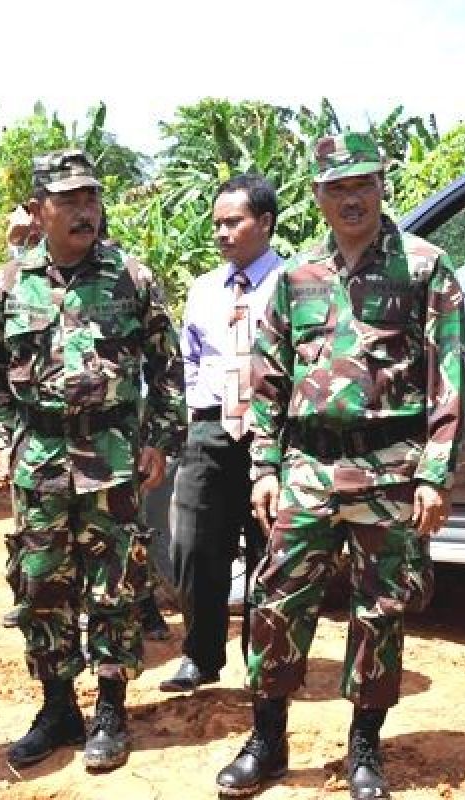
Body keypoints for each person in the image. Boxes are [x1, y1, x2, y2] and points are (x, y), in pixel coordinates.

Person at [216, 133, 465, 799]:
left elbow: (450, 379)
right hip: (309, 467)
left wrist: (435, 473)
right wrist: (264, 469)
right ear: (317, 195)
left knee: (380, 611)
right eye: (336, 187)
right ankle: (267, 741)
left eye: (362, 184)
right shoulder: (296, 279)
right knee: (275, 600)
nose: (351, 198)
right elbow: (267, 380)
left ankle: (364, 749)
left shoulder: (425, 268)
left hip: (391, 468)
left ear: (382, 185)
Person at [0, 149, 185, 772]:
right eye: (68, 201)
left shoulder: (130, 276)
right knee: (41, 586)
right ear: (38, 210)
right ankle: (58, 705)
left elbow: (167, 367)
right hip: (37, 458)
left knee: (114, 586)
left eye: (91, 198)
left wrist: (159, 438)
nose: (84, 211)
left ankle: (112, 709)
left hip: (114, 456)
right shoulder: (9, 284)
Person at [158, 173, 282, 693]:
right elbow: (187, 361)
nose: (222, 233)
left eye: (235, 221)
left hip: (271, 432)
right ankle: (201, 655)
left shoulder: (297, 284)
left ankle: (264, 658)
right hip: (209, 429)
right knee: (193, 546)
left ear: (266, 223)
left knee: (267, 550)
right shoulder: (205, 289)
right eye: (217, 224)